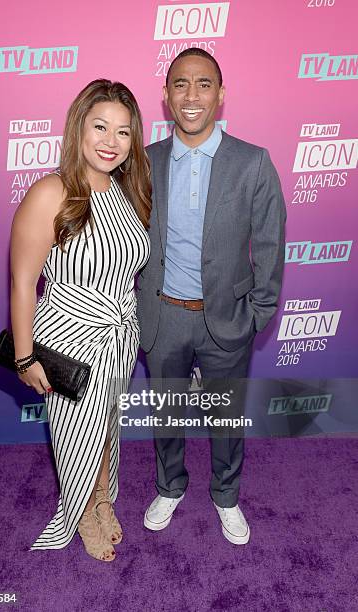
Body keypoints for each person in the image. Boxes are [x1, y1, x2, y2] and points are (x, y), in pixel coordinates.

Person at [136, 49, 286, 545]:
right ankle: (169, 486)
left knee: (225, 418)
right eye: (180, 84)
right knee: (166, 413)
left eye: (204, 84)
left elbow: (269, 242)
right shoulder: (143, 163)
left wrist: (259, 312)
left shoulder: (253, 162)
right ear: (165, 95)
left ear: (221, 95)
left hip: (227, 319)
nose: (192, 95)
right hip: (162, 318)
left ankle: (226, 496)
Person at [10, 79, 151, 561]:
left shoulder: (127, 193)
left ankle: (102, 500)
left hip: (117, 337)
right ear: (78, 129)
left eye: (124, 132)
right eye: (100, 127)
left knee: (106, 430)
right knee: (77, 438)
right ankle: (83, 513)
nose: (111, 141)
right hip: (69, 337)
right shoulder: (51, 191)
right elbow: (23, 282)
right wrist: (25, 356)